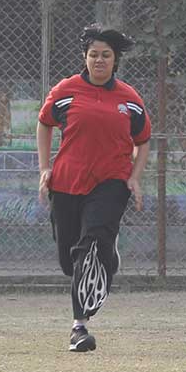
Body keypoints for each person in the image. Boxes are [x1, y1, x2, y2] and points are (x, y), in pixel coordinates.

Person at [38, 27, 151, 354]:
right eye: (94, 55)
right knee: (69, 259)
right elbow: (44, 123)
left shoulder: (129, 99)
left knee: (90, 246)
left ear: (115, 61)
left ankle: (79, 327)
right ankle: (108, 254)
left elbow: (143, 140)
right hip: (67, 181)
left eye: (106, 55)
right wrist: (44, 168)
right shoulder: (66, 90)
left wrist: (134, 177)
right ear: (85, 58)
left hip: (110, 182)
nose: (99, 60)